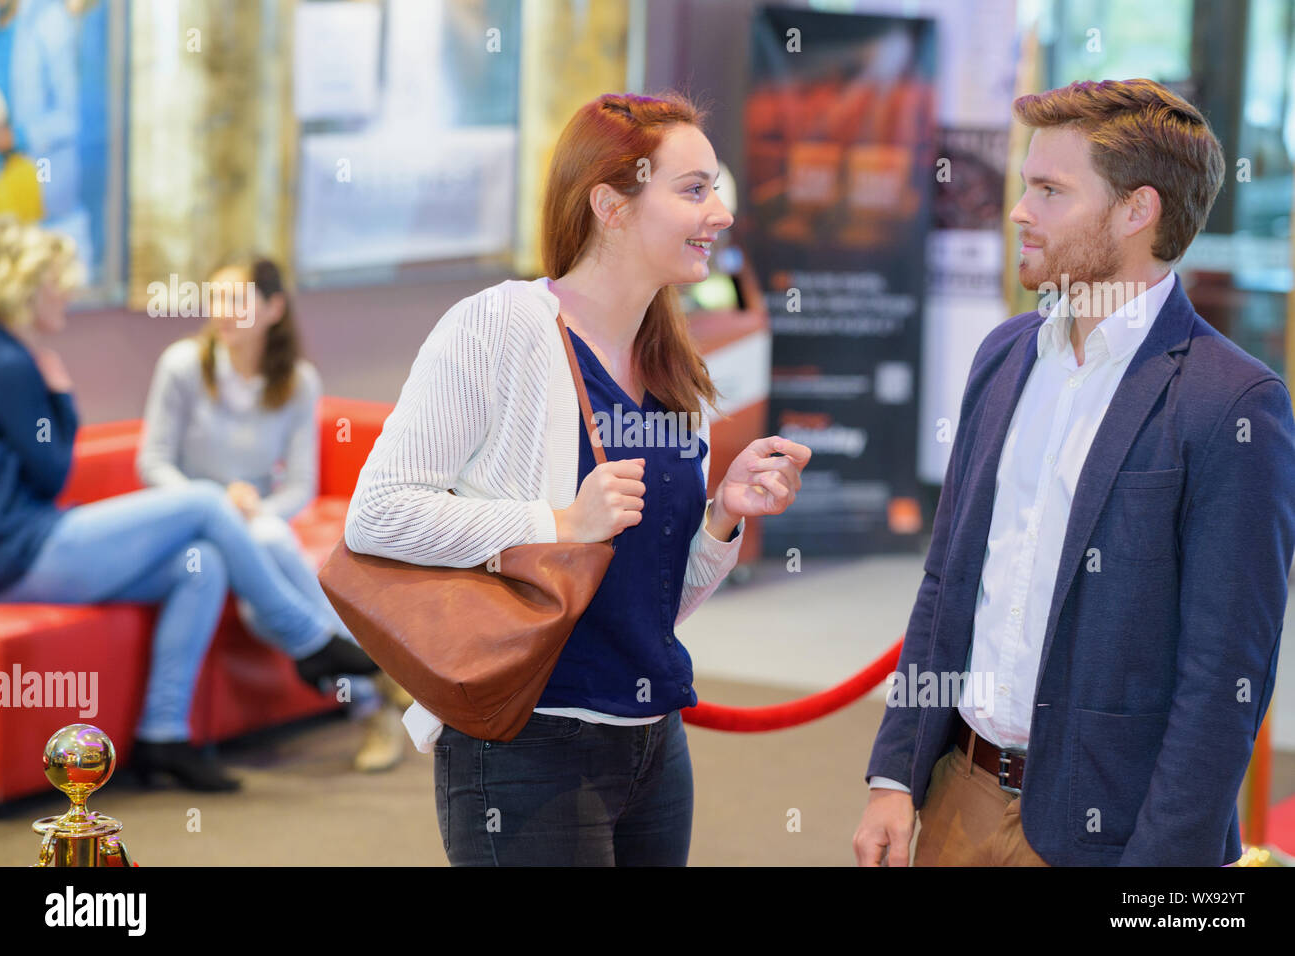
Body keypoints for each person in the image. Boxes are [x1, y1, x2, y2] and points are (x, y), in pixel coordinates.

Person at [344, 91, 812, 866]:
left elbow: (658, 603)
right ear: (611, 205)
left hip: (654, 746)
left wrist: (721, 518)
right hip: (525, 750)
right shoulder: (496, 327)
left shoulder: (673, 363)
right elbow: (379, 515)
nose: (721, 212)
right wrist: (556, 522)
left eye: (716, 187)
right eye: (694, 189)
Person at [853, 78, 1295, 867]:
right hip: (960, 793)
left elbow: (1223, 682)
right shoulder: (1005, 356)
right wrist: (895, 772)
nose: (1020, 211)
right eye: (1027, 187)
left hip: (1113, 835)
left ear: (1137, 211)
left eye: (1051, 191)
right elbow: (944, 585)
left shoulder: (1235, 404)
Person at [0, 216, 378, 792]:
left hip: (28, 543)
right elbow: (52, 474)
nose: (67, 295)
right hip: (19, 553)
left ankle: (163, 736)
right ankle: (308, 640)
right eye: (58, 283)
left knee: (202, 564)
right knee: (203, 503)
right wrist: (61, 397)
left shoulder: (9, 358)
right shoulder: (12, 364)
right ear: (28, 287)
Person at [136, 254, 409, 772]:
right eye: (215, 298)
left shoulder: (298, 381)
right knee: (266, 543)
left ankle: (360, 685)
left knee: (263, 589)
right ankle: (373, 684)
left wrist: (258, 507)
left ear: (274, 308)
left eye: (236, 300)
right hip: (190, 518)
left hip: (259, 519)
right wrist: (213, 503)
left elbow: (301, 487)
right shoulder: (182, 366)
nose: (221, 311)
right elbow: (153, 464)